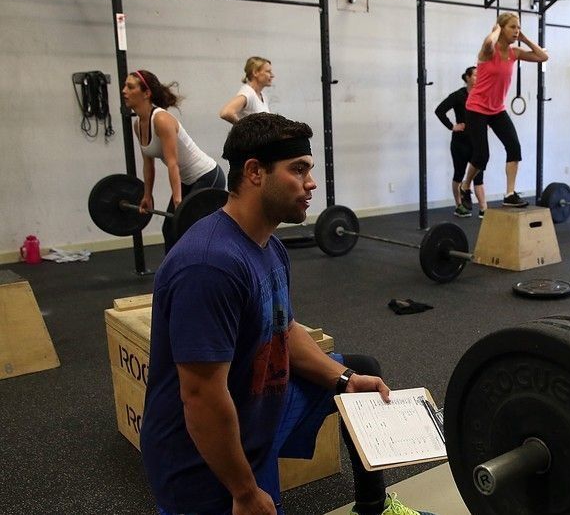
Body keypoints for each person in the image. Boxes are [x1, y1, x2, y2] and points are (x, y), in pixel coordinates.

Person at [140, 112, 433, 515]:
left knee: (359, 374)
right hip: (199, 460)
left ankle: (373, 508)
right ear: (255, 172)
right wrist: (244, 492)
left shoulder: (269, 247)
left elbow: (284, 328)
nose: (311, 183)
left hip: (255, 416)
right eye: (298, 170)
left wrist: (343, 378)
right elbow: (202, 398)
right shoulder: (208, 266)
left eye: (309, 169)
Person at [123, 70, 225, 254]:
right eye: (125, 86)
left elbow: (172, 163)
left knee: (187, 229)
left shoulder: (161, 119)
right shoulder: (138, 125)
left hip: (208, 175)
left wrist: (178, 201)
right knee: (169, 230)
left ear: (146, 93)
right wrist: (147, 195)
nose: (124, 91)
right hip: (186, 180)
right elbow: (148, 164)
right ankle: (174, 277)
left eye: (130, 87)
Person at [458, 12, 548, 210]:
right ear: (501, 29)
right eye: (512, 27)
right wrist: (496, 30)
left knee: (514, 147)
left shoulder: (514, 53)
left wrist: (524, 39)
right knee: (482, 156)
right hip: (477, 108)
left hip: (497, 109)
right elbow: (488, 42)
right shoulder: (488, 52)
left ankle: (509, 194)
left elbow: (543, 56)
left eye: (518, 27)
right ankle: (465, 186)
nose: (516, 31)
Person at [435, 66, 487, 218]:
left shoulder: (482, 94)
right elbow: (439, 110)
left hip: (477, 141)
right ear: (467, 78)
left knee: (479, 175)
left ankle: (483, 208)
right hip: (460, 143)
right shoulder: (458, 96)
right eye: (476, 75)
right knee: (459, 174)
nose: (479, 78)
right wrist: (452, 126)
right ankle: (459, 206)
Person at [219, 56, 273, 124]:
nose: (272, 75)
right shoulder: (248, 93)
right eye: (268, 71)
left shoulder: (263, 96)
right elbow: (226, 113)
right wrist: (245, 129)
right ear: (255, 72)